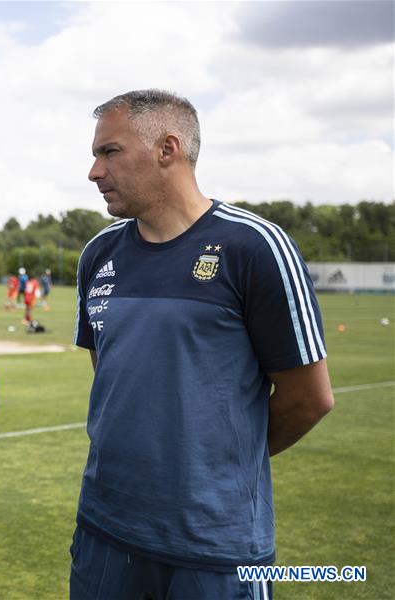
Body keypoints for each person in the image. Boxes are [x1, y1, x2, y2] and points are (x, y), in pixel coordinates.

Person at [72, 90, 334, 599]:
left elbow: (309, 399)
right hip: (105, 528)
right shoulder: (98, 254)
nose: (94, 172)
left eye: (109, 152)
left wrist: (218, 469)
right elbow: (109, 375)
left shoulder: (254, 247)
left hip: (217, 546)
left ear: (167, 149)